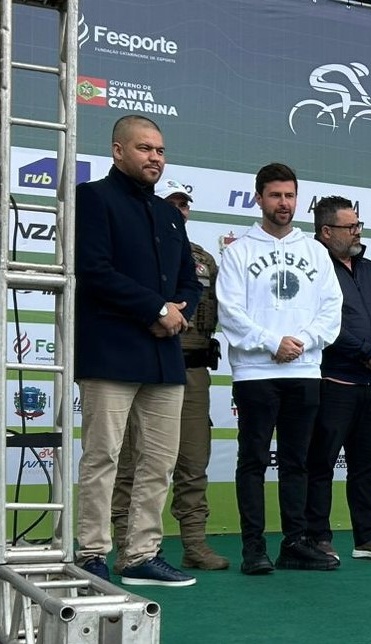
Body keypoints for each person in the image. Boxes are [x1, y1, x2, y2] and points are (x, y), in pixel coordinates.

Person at [74, 115, 200, 587]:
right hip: (110, 351)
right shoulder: (93, 198)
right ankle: (91, 553)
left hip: (164, 356)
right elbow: (94, 269)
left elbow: (189, 281)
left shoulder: (169, 215)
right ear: (118, 151)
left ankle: (141, 555)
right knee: (103, 457)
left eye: (160, 151)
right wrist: (155, 308)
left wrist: (178, 311)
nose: (155, 158)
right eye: (145, 148)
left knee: (158, 462)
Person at [217, 162, 343, 575]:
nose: (283, 203)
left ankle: (295, 543)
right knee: (253, 461)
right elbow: (230, 312)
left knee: (297, 462)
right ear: (259, 198)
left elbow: (331, 310)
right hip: (256, 373)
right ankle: (253, 548)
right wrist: (273, 342)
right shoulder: (238, 251)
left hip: (304, 370)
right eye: (275, 195)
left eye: (289, 195)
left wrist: (301, 341)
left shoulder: (316, 252)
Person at [111, 178, 229, 574]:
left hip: (191, 371)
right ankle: (127, 545)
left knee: (193, 462)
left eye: (183, 204)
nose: (179, 211)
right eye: (171, 203)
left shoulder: (203, 260)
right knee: (132, 462)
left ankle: (194, 544)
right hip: (142, 363)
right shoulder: (133, 251)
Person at [305, 196, 371, 563]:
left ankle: (368, 537)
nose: (357, 232)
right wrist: (365, 350)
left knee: (368, 466)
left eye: (358, 225)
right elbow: (322, 323)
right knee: (321, 465)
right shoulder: (314, 269)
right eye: (350, 227)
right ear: (326, 232)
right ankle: (318, 537)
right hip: (333, 384)